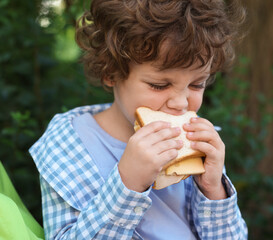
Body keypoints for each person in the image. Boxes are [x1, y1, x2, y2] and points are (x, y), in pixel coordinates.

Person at [29, 0, 248, 239]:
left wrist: (213, 190)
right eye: (159, 85)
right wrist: (128, 183)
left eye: (197, 84)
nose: (181, 103)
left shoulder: (200, 144)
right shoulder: (68, 144)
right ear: (111, 72)